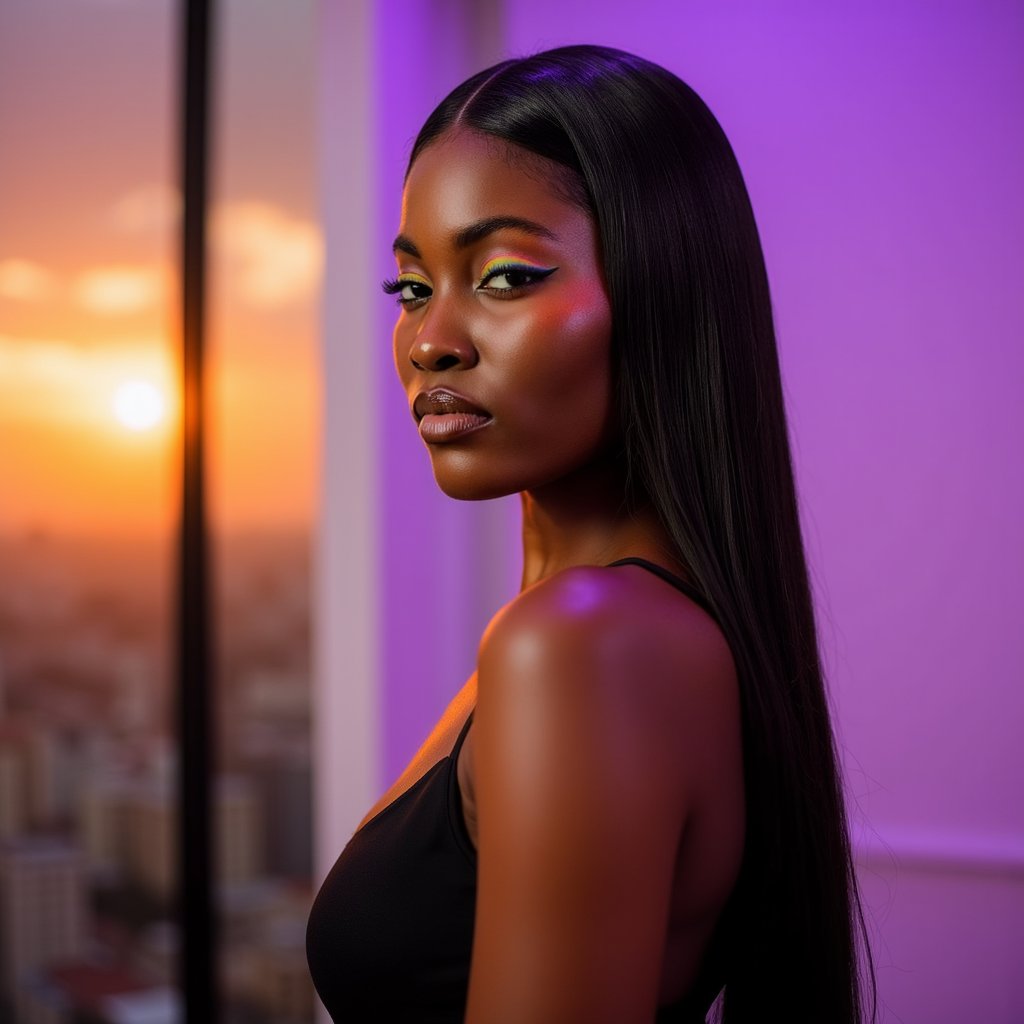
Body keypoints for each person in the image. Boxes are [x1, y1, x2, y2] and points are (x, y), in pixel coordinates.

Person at [306, 43, 875, 1023]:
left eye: (505, 276)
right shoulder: (609, 631)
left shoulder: (580, 646)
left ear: (662, 294)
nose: (430, 339)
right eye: (411, 288)